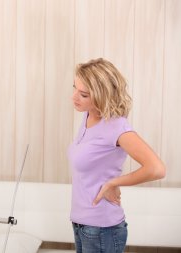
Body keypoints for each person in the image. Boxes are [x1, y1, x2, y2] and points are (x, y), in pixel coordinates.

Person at [68, 58, 165, 253]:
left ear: (101, 95)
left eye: (84, 94)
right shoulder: (88, 116)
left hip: (102, 229)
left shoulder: (116, 126)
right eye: (75, 88)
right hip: (81, 224)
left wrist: (113, 183)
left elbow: (156, 169)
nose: (74, 97)